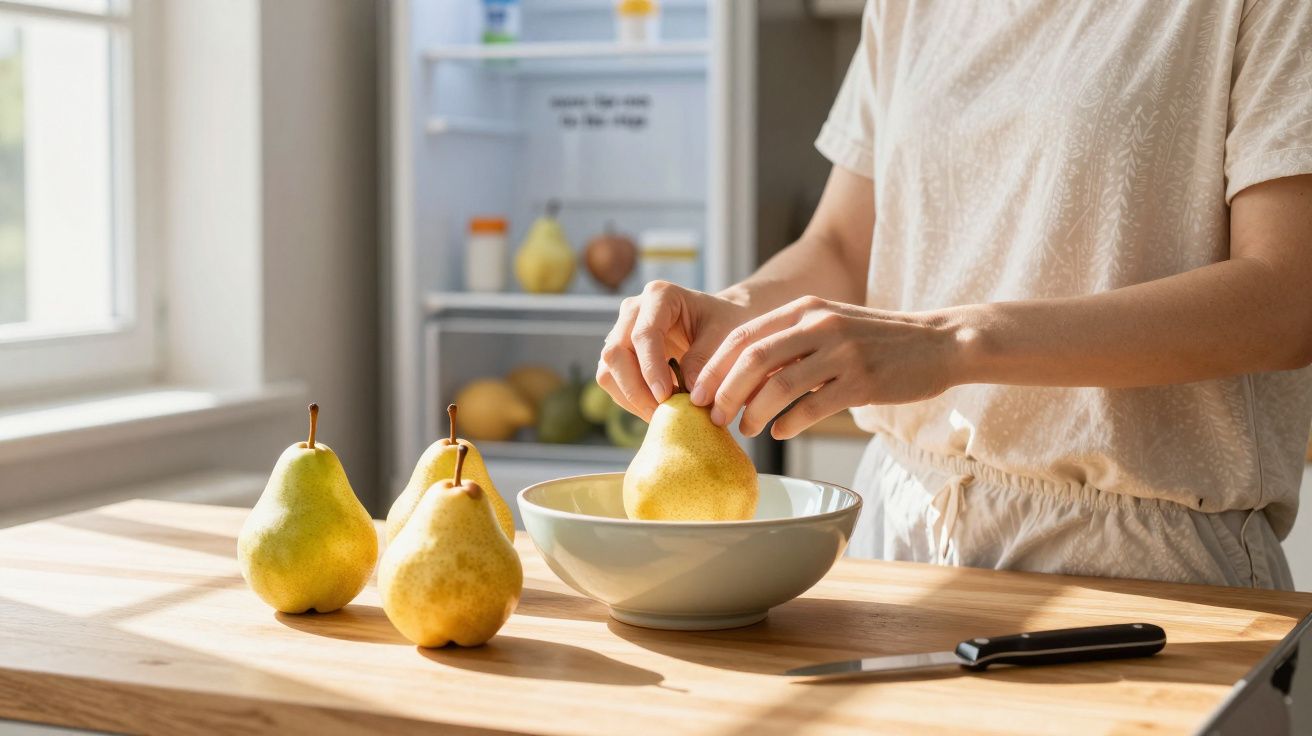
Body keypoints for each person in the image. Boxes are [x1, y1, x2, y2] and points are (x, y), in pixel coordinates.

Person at [595, 1, 1312, 589]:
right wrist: (738, 310)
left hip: (1143, 565)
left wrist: (951, 343)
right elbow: (844, 246)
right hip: (897, 530)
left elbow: (1288, 299)